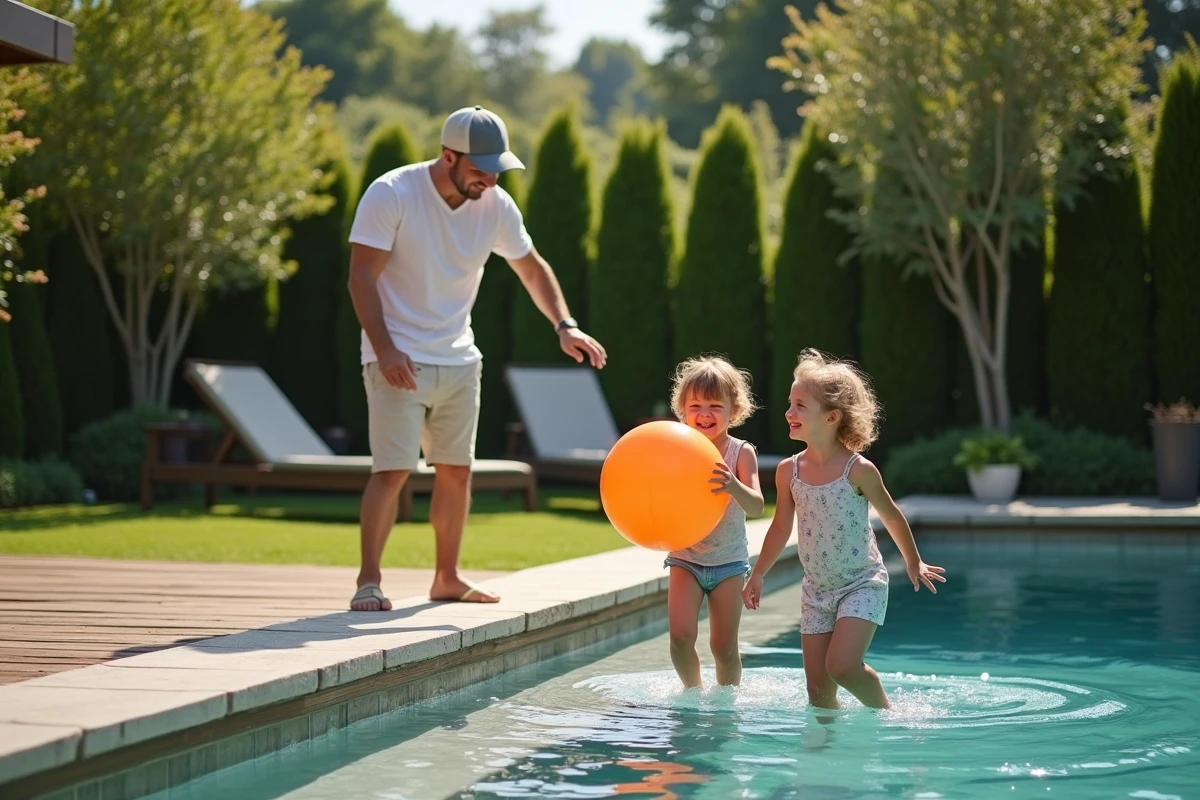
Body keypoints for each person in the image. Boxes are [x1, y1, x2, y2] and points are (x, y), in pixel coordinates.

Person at [345, 105, 607, 611]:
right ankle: (369, 580)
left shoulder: (497, 206)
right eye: (480, 168)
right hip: (395, 355)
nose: (490, 178)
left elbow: (532, 269)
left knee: (457, 470)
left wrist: (564, 324)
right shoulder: (392, 194)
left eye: (496, 169)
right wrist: (385, 349)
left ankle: (447, 577)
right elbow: (361, 278)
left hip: (460, 358)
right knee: (392, 471)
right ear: (448, 156)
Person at [742, 349, 945, 710]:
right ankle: (827, 754)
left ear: (832, 416)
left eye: (800, 406)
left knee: (842, 667)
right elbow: (779, 528)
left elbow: (894, 516)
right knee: (818, 692)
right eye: (790, 403)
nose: (789, 412)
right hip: (817, 589)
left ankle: (885, 713)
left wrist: (914, 562)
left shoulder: (858, 470)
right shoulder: (789, 471)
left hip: (861, 583)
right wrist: (758, 573)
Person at [664, 356, 765, 688]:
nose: (704, 413)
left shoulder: (741, 452)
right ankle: (692, 694)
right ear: (682, 408)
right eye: (695, 405)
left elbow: (757, 506)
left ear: (733, 410)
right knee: (680, 637)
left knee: (723, 648)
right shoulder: (676, 448)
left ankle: (726, 702)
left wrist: (734, 486)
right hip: (686, 557)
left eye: (714, 405)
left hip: (729, 563)